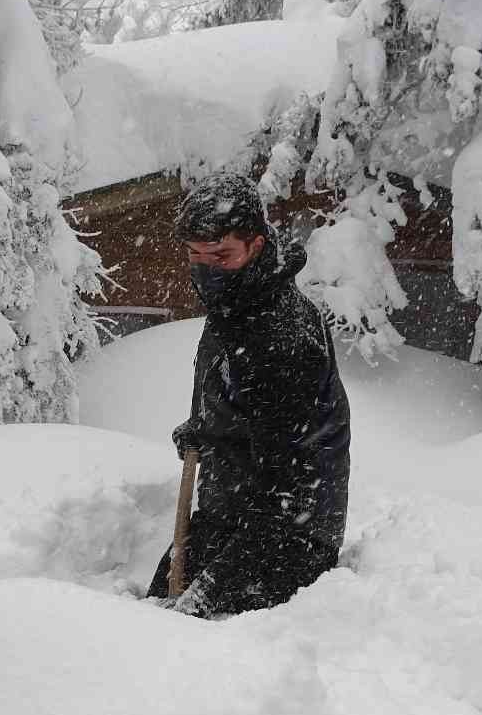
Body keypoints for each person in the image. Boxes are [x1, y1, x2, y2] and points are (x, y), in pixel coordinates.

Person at [147, 173, 351, 617]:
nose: (206, 270)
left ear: (255, 245)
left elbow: (285, 485)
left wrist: (208, 591)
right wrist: (201, 428)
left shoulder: (281, 335)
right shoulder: (238, 302)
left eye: (221, 255)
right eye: (196, 256)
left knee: (183, 635)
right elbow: (243, 400)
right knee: (150, 612)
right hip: (231, 512)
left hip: (291, 537)